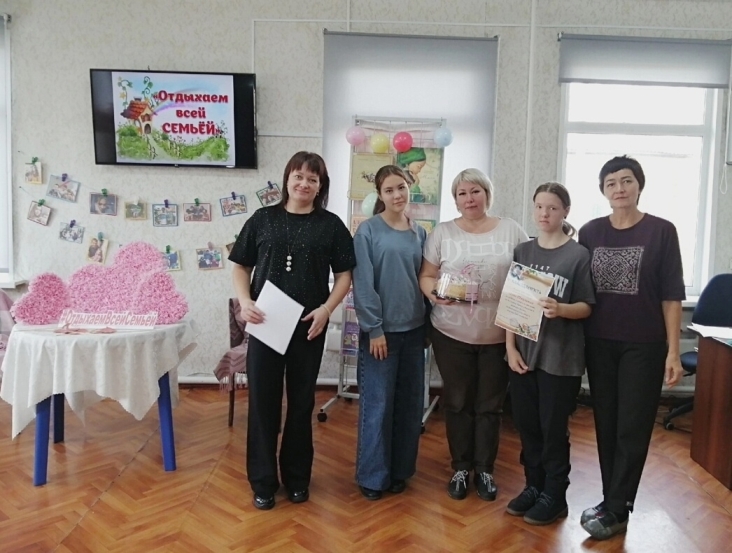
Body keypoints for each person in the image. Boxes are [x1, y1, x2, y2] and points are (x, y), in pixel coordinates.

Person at [229, 151, 356, 511]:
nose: (304, 184)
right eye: (298, 176)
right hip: (265, 324)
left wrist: (327, 310)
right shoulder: (262, 219)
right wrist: (244, 301)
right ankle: (263, 482)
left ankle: (298, 479)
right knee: (263, 404)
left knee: (301, 404)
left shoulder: (331, 225)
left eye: (313, 179)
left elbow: (344, 275)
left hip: (308, 326)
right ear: (287, 179)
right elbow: (240, 266)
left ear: (320, 186)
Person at [577, 155, 685, 540]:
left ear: (639, 185)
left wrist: (674, 352)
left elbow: (672, 296)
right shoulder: (590, 232)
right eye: (611, 183)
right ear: (603, 191)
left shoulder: (662, 231)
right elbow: (578, 286)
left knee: (632, 427)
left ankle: (619, 507)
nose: (619, 188)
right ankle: (611, 500)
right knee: (606, 424)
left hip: (645, 345)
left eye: (626, 181)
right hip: (599, 342)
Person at [419, 168, 528, 501]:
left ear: (487, 194)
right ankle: (460, 468)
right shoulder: (442, 233)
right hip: (450, 334)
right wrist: (434, 293)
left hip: (499, 337)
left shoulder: (512, 230)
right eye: (462, 193)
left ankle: (485, 470)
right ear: (455, 199)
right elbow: (427, 275)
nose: (469, 199)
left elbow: (527, 278)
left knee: (490, 406)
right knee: (457, 403)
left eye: (475, 191)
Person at [504, 182, 595, 525]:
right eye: (539, 206)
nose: (545, 213)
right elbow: (511, 304)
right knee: (527, 427)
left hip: (560, 358)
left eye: (553, 208)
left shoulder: (578, 255)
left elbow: (587, 306)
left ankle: (555, 495)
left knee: (553, 429)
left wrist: (562, 309)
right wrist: (510, 348)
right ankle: (533, 486)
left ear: (565, 211)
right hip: (523, 355)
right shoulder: (523, 251)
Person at [352, 165, 427, 501]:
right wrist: (374, 328)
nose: (397, 195)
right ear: (379, 195)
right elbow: (363, 284)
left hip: (414, 331)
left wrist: (428, 325)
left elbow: (423, 281)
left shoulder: (419, 233)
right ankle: (372, 476)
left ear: (409, 187)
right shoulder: (367, 231)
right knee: (378, 407)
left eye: (401, 188)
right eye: (389, 190)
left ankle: (399, 471)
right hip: (381, 334)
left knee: (409, 407)